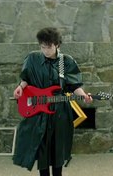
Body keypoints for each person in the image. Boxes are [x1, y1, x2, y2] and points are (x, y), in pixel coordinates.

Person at [12, 27, 93, 176]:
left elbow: (75, 85)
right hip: (39, 112)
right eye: (42, 46)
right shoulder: (32, 58)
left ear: (57, 45)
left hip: (60, 112)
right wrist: (20, 87)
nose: (45, 50)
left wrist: (83, 96)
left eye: (48, 47)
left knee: (58, 148)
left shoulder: (66, 62)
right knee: (41, 149)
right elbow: (26, 78)